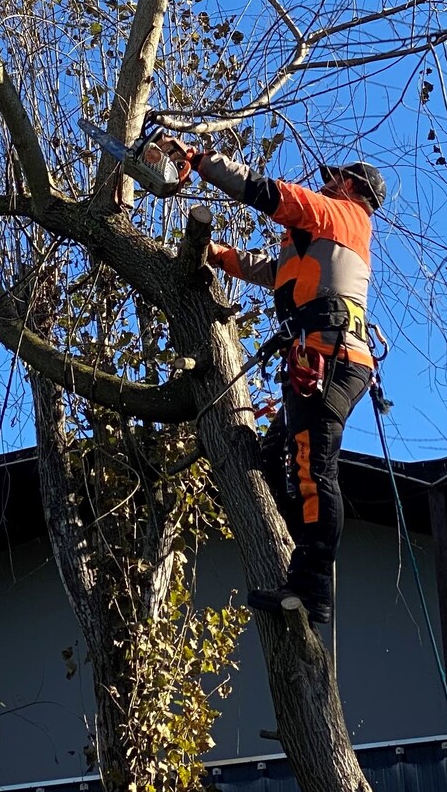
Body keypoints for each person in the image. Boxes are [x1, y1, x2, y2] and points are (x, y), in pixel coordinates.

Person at [159, 141, 385, 625]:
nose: (325, 182)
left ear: (351, 187)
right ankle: (288, 548)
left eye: (335, 178)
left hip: (332, 358)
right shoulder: (316, 244)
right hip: (322, 358)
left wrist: (197, 159)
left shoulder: (339, 215)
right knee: (275, 457)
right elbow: (267, 269)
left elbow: (265, 191)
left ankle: (312, 588)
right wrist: (214, 253)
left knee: (312, 468)